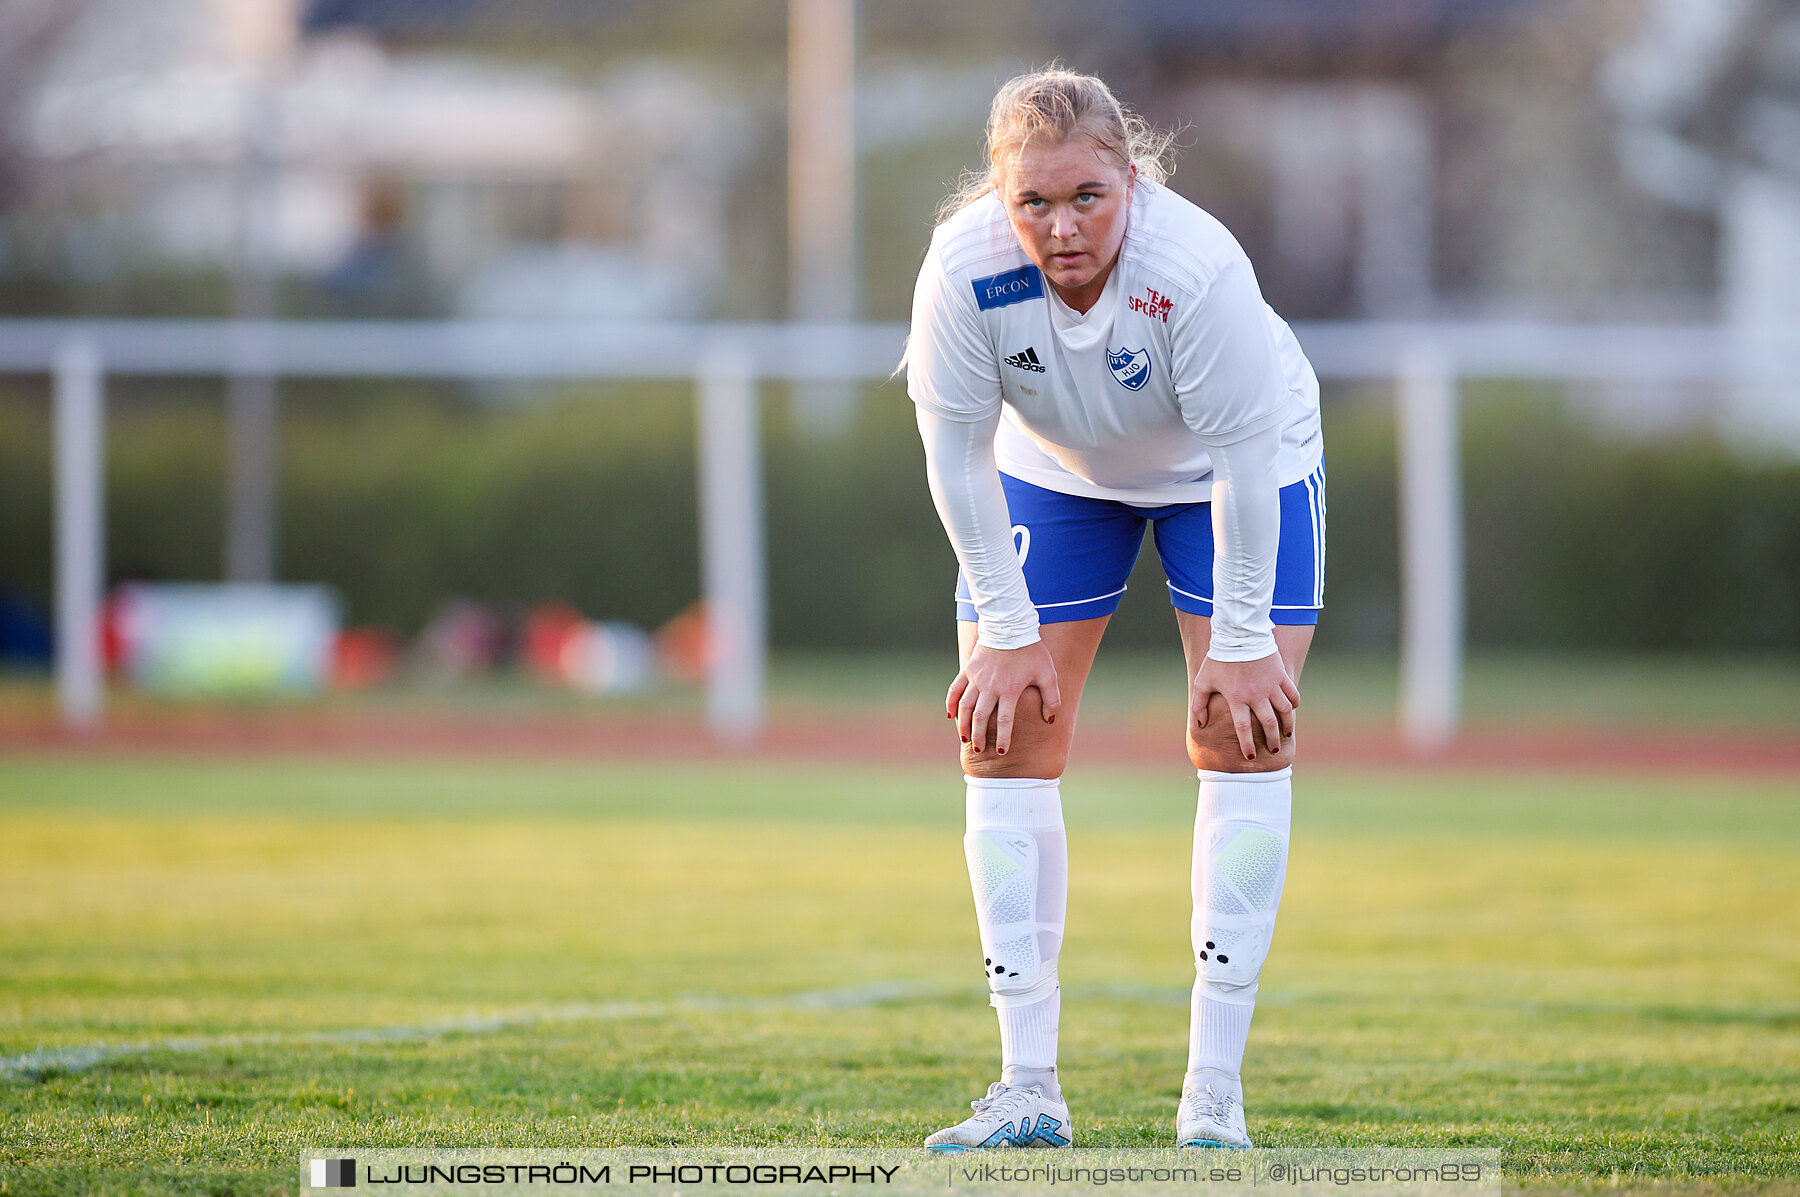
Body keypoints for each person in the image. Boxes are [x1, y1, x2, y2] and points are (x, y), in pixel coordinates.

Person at [904, 67, 1325, 1152]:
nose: (1060, 225)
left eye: (1086, 196)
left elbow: (1241, 464)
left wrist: (1240, 646)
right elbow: (955, 460)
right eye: (1032, 202)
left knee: (1241, 732)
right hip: (1054, 473)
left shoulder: (1196, 270)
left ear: (1130, 181)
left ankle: (1214, 1100)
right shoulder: (963, 269)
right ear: (1000, 200)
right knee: (1002, 738)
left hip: (1234, 473)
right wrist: (1002, 628)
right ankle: (1026, 1089)